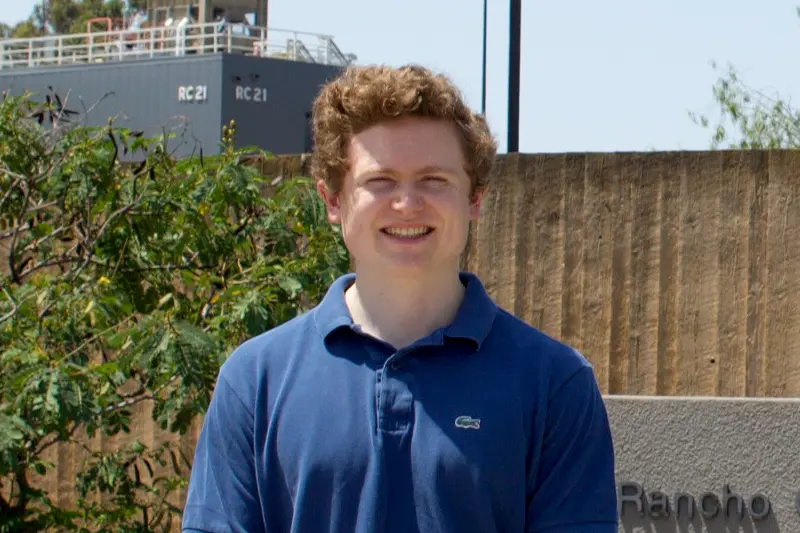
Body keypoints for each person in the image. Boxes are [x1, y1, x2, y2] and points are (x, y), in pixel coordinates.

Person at [181, 64, 618, 533]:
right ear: (332, 200)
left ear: (475, 198)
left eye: (434, 180)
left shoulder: (554, 384)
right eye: (381, 180)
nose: (407, 204)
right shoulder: (255, 382)